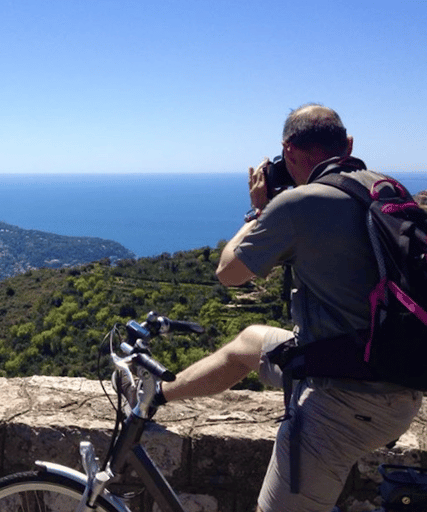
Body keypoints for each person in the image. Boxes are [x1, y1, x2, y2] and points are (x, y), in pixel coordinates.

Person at [159, 104, 422, 512]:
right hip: (395, 376)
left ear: (289, 150)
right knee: (250, 342)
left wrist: (261, 208)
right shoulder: (384, 187)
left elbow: (229, 272)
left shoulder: (299, 203)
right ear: (348, 145)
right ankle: (158, 394)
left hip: (344, 402)